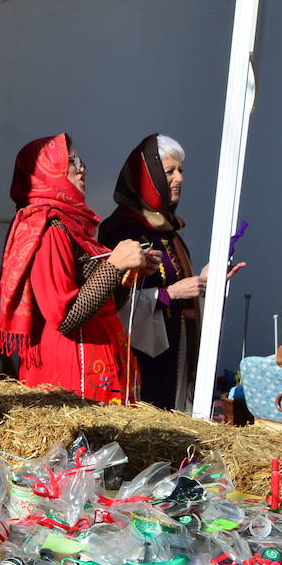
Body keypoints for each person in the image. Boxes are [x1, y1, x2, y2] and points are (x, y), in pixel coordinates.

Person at [0, 133, 159, 402]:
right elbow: (65, 317)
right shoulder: (48, 229)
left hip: (95, 359)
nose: (82, 168)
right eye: (72, 161)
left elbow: (105, 304)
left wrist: (127, 273)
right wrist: (114, 265)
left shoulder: (74, 226)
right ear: (49, 168)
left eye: (81, 161)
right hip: (70, 368)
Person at [98, 135, 244, 410]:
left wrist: (204, 281)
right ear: (148, 178)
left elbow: (177, 286)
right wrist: (169, 294)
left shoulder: (168, 230)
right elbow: (109, 303)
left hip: (173, 354)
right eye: (169, 171)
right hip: (139, 359)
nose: (179, 178)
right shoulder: (120, 229)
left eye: (180, 170)